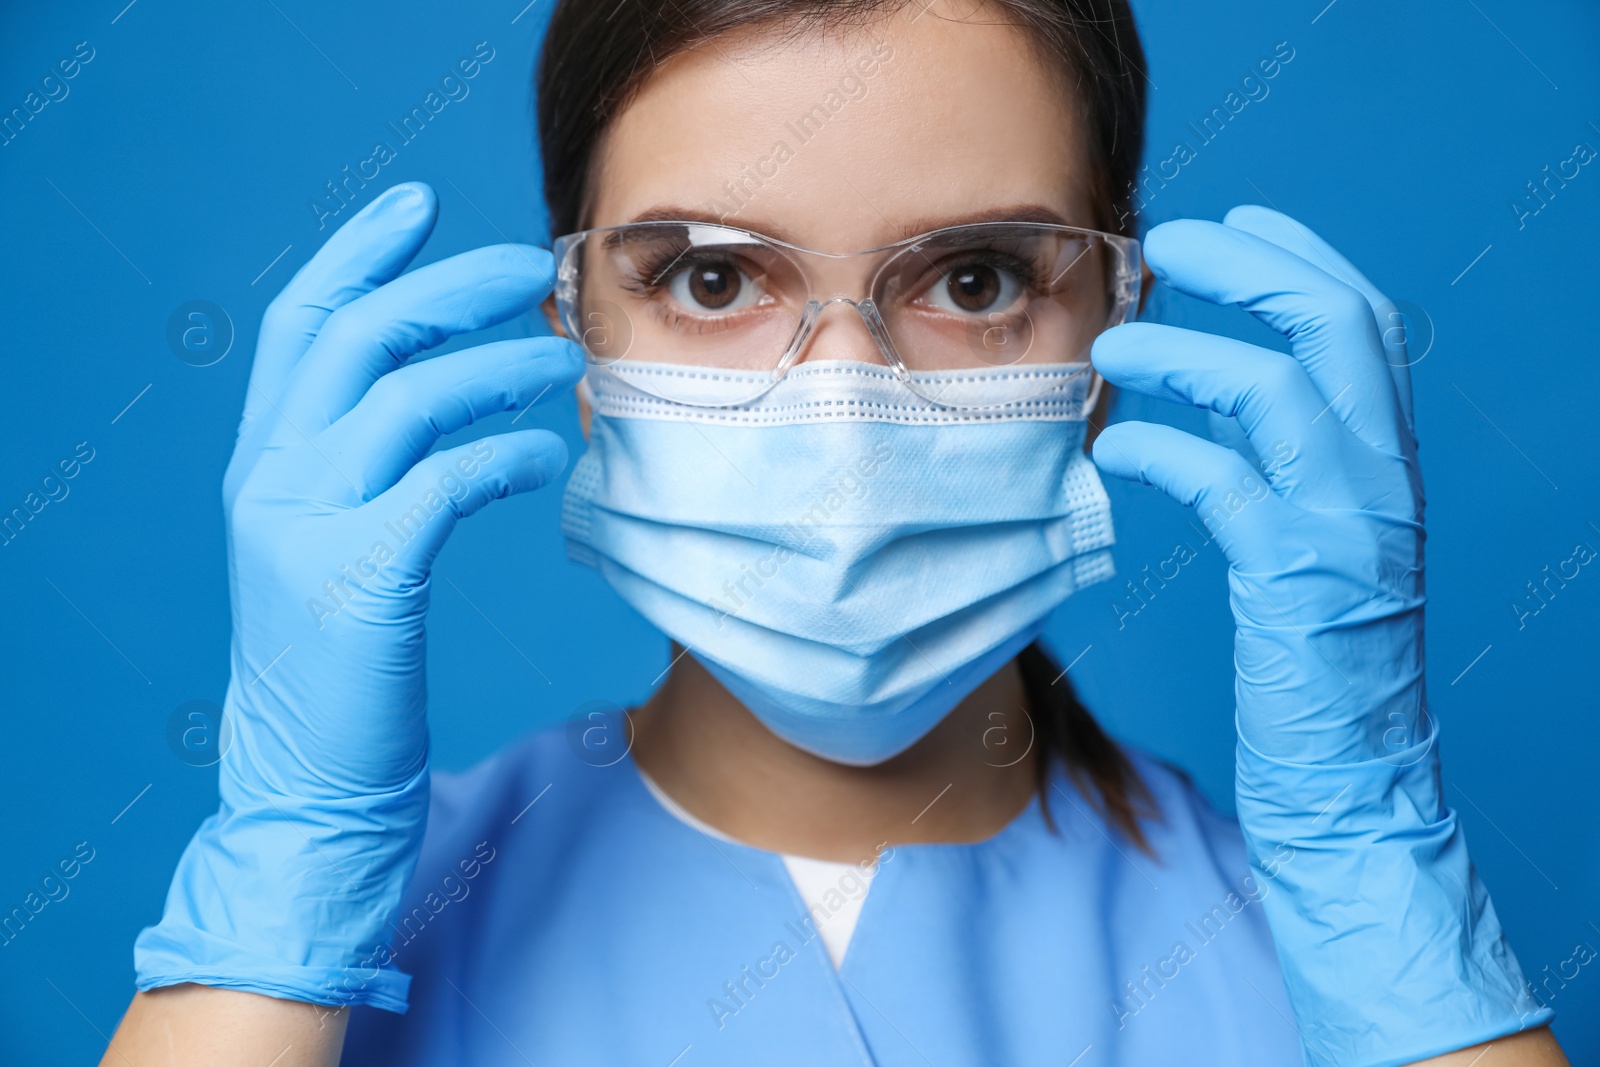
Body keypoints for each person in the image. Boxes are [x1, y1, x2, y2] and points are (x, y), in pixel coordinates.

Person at [104, 1, 1570, 1064]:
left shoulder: (1326, 959)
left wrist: (1380, 871)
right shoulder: (348, 946)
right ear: (582, 338)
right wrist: (281, 879)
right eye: (713, 279)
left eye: (980, 279)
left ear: (1117, 330)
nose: (847, 408)